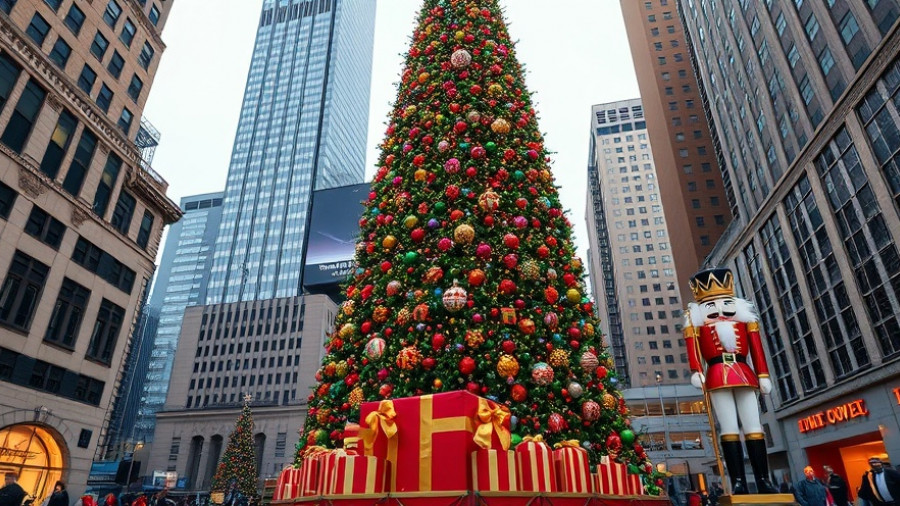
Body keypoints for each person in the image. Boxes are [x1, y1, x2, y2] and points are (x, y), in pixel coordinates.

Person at [683, 268, 777, 494]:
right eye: (711, 305)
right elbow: (693, 349)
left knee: (754, 426)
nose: (719, 310)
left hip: (744, 372)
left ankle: (763, 480)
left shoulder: (746, 324)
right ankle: (738, 482)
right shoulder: (698, 328)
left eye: (725, 303)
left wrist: (763, 374)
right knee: (729, 429)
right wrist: (696, 370)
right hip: (717, 375)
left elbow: (757, 350)